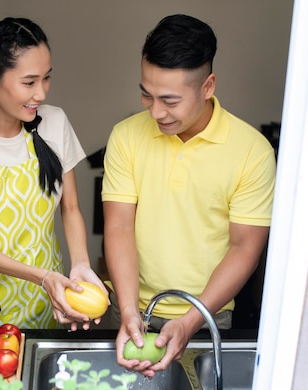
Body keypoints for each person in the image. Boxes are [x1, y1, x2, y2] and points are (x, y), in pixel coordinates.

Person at [102, 14, 276, 377]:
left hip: (208, 314)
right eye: (146, 94)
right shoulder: (126, 136)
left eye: (169, 100)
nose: (155, 111)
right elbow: (118, 228)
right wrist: (129, 311)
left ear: (208, 86)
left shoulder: (252, 152)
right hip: (129, 309)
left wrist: (191, 319)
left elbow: (245, 247)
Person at [0, 17, 106, 331]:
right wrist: (43, 277)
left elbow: (70, 208)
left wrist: (80, 263)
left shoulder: (55, 123)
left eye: (46, 78)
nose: (41, 94)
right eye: (29, 82)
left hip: (48, 301)